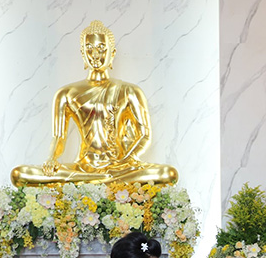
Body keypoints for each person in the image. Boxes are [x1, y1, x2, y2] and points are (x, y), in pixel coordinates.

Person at [11, 20, 178, 187]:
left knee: (167, 173)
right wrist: (52, 159)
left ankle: (89, 183)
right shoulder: (66, 93)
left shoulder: (129, 91)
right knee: (20, 174)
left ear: (112, 53)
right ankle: (100, 181)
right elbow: (59, 137)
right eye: (89, 49)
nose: (96, 55)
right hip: (83, 167)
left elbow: (144, 135)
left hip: (120, 167)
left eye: (101, 48)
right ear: (82, 53)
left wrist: (127, 160)